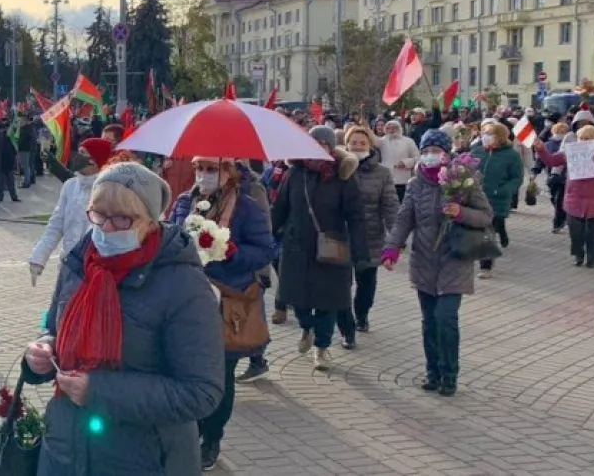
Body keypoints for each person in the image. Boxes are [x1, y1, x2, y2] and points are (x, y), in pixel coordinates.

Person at [21, 162, 225, 475]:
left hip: (144, 458)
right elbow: (53, 328)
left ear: (150, 221)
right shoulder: (78, 264)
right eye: (98, 214)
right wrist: (42, 352)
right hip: (63, 449)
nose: (105, 228)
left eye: (121, 218)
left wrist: (99, 391)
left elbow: (201, 392)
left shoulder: (183, 284)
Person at [172, 157, 275, 471]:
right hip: (187, 297)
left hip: (228, 300)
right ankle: (190, 430)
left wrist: (232, 253)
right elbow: (169, 234)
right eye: (199, 168)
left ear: (228, 172)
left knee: (221, 372)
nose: (203, 174)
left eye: (211, 168)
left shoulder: (246, 206)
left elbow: (267, 249)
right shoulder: (185, 201)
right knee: (187, 367)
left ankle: (212, 436)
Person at [381, 130, 493, 397]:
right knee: (429, 321)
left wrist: (461, 212)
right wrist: (392, 248)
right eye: (427, 149)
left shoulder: (463, 180)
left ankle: (450, 373)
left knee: (446, 319)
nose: (431, 154)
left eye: (436, 150)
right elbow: (404, 219)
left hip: (454, 259)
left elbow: (486, 216)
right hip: (424, 261)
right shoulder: (415, 184)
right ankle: (433, 373)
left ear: (446, 153)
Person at [271, 125, 369, 371]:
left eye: (321, 145)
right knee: (297, 299)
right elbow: (279, 209)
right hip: (297, 248)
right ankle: (307, 327)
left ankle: (322, 349)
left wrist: (361, 251)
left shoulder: (342, 176)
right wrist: (266, 236)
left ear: (330, 149)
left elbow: (356, 216)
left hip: (331, 250)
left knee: (328, 302)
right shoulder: (294, 174)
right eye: (312, 143)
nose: (316, 149)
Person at [336, 126, 399, 345]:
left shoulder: (382, 173)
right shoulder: (338, 169)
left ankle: (361, 314)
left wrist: (396, 237)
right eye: (353, 143)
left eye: (362, 143)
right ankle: (347, 329)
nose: (357, 146)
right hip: (340, 235)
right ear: (347, 145)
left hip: (370, 235)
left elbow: (390, 206)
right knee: (340, 285)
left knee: (366, 282)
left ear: (370, 146)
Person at [28, 138, 111, 285]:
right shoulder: (70, 186)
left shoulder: (109, 190)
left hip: (96, 272)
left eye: (82, 153)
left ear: (94, 160)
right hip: (68, 267)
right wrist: (38, 258)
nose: (76, 157)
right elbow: (56, 225)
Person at [534, 124, 594, 268]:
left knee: (593, 232)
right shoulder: (572, 151)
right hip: (574, 197)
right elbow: (552, 160)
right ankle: (578, 255)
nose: (584, 141)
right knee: (575, 231)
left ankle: (592, 258)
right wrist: (541, 148)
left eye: (588, 138)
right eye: (581, 138)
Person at [470, 121, 524, 279]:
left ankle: (486, 266)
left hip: (496, 199)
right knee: (478, 232)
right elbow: (465, 168)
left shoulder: (511, 155)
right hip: (475, 198)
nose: (485, 137)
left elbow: (516, 178)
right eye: (484, 133)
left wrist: (504, 190)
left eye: (489, 134)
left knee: (488, 232)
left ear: (500, 137)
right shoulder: (476, 151)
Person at [376, 120, 418, 201]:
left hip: (404, 181)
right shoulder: (381, 141)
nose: (391, 130)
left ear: (399, 128)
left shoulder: (408, 141)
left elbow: (417, 157)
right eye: (388, 128)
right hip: (386, 181)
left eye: (394, 128)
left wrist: (406, 163)